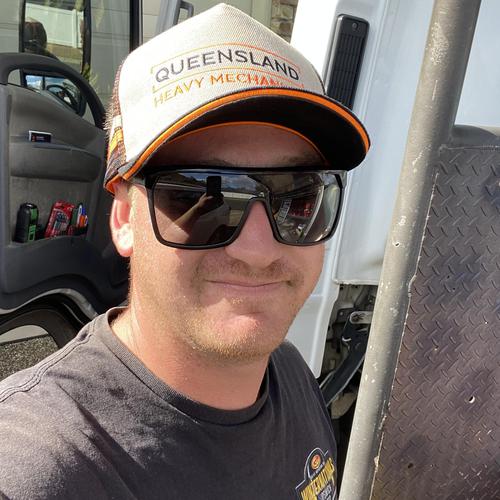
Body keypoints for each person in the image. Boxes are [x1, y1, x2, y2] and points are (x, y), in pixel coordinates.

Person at [0, 4, 369, 499]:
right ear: (124, 218)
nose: (258, 249)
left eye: (298, 196)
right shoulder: (38, 471)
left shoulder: (289, 373)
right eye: (201, 195)